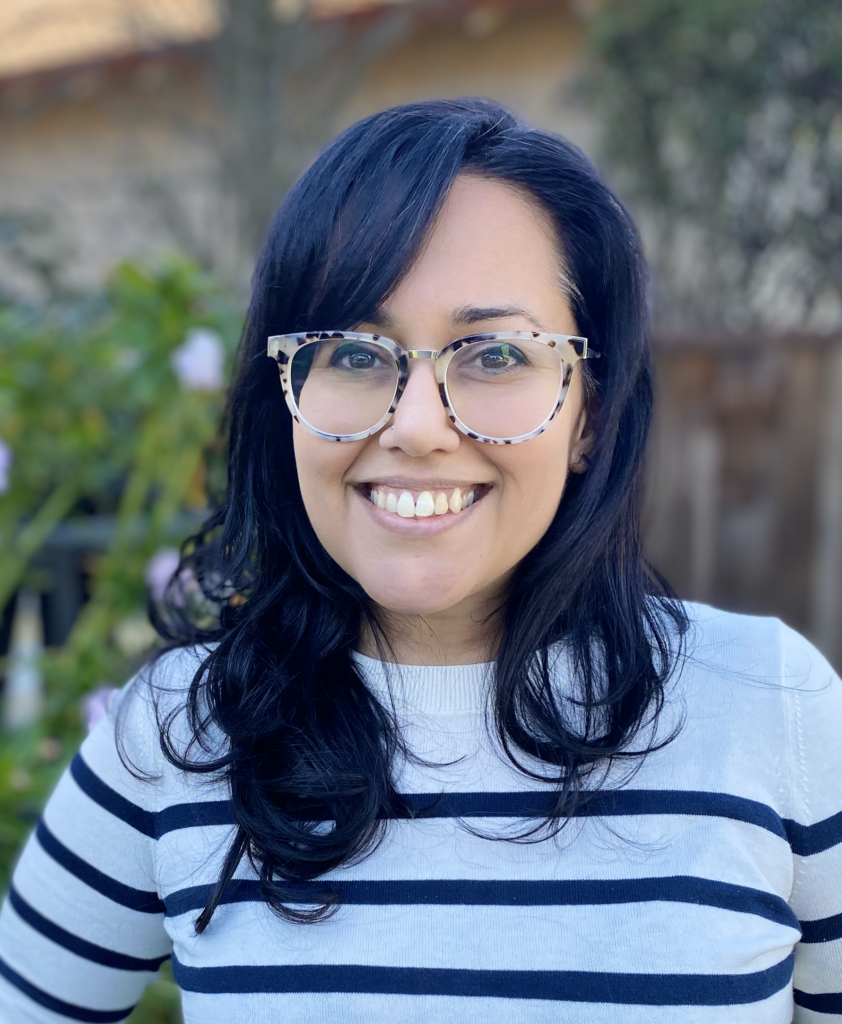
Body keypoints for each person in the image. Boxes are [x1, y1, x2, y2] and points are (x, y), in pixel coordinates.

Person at [0, 98, 839, 1024]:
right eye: (355, 352)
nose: (416, 427)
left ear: (590, 414)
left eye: (495, 354)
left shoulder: (775, 714)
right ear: (285, 393)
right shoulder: (179, 737)